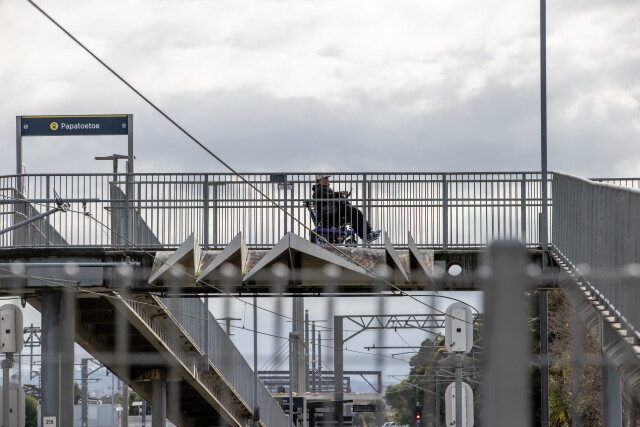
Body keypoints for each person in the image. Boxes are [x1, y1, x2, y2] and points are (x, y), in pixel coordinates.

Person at [311, 174, 381, 242]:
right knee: (355, 212)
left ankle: (366, 235)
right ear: (320, 180)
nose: (328, 180)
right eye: (326, 178)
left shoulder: (324, 189)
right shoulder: (319, 189)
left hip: (332, 213)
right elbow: (327, 197)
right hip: (329, 215)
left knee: (353, 217)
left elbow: (331, 197)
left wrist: (342, 197)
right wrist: (340, 194)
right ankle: (367, 233)